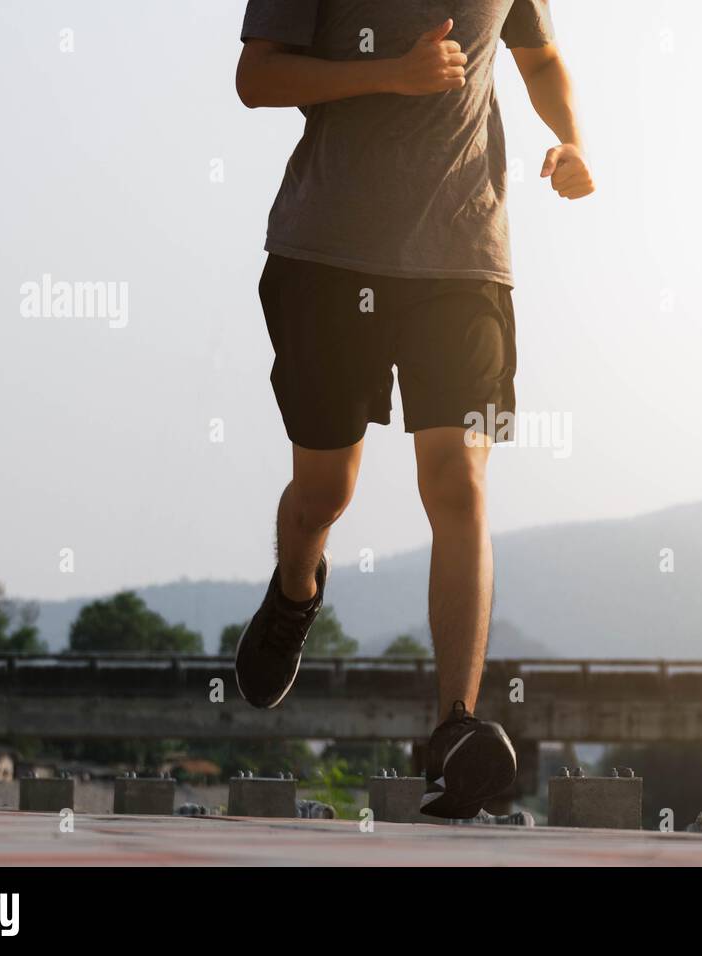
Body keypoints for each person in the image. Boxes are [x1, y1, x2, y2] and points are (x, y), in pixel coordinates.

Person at [232, 0, 593, 820]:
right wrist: (389, 75)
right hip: (328, 252)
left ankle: (454, 732)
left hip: (464, 259)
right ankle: (295, 591)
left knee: (459, 484)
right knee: (325, 493)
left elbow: (537, 57)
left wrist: (572, 139)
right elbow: (257, 77)